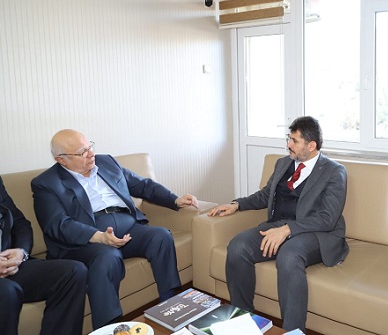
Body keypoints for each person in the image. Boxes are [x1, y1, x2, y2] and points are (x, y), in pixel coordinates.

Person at [31, 129, 199, 330]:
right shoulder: (46, 183)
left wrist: (175, 199)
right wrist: (99, 237)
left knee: (160, 236)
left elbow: (143, 185)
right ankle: (109, 327)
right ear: (62, 160)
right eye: (82, 152)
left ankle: (170, 304)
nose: (91, 154)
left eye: (89, 147)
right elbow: (57, 224)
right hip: (88, 240)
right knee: (107, 257)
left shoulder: (106, 162)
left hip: (127, 226)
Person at [207, 116, 349, 331]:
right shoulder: (283, 163)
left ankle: (293, 331)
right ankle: (243, 320)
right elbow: (266, 195)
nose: (288, 144)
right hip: (279, 225)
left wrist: (287, 229)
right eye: (288, 138)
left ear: (311, 145)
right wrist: (237, 205)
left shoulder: (334, 171)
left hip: (316, 233)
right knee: (238, 246)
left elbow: (327, 218)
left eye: (294, 141)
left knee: (289, 255)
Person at [0, 175, 87, 335]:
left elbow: (20, 223)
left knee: (73, 271)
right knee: (7, 291)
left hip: (9, 264)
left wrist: (21, 252)